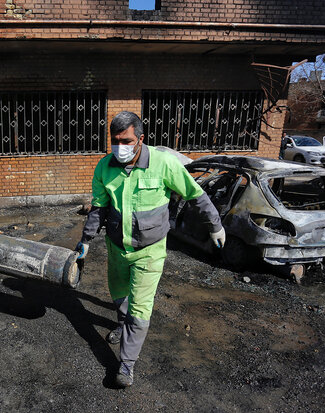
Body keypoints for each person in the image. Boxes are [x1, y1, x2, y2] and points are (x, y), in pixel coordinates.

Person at [75, 111, 224, 387]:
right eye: (115, 140)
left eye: (126, 140)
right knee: (118, 291)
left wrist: (215, 225)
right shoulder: (104, 167)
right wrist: (85, 240)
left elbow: (195, 195)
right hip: (117, 247)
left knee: (140, 307)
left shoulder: (164, 164)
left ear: (140, 139)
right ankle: (121, 324)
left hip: (150, 250)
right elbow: (99, 208)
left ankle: (126, 364)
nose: (120, 146)